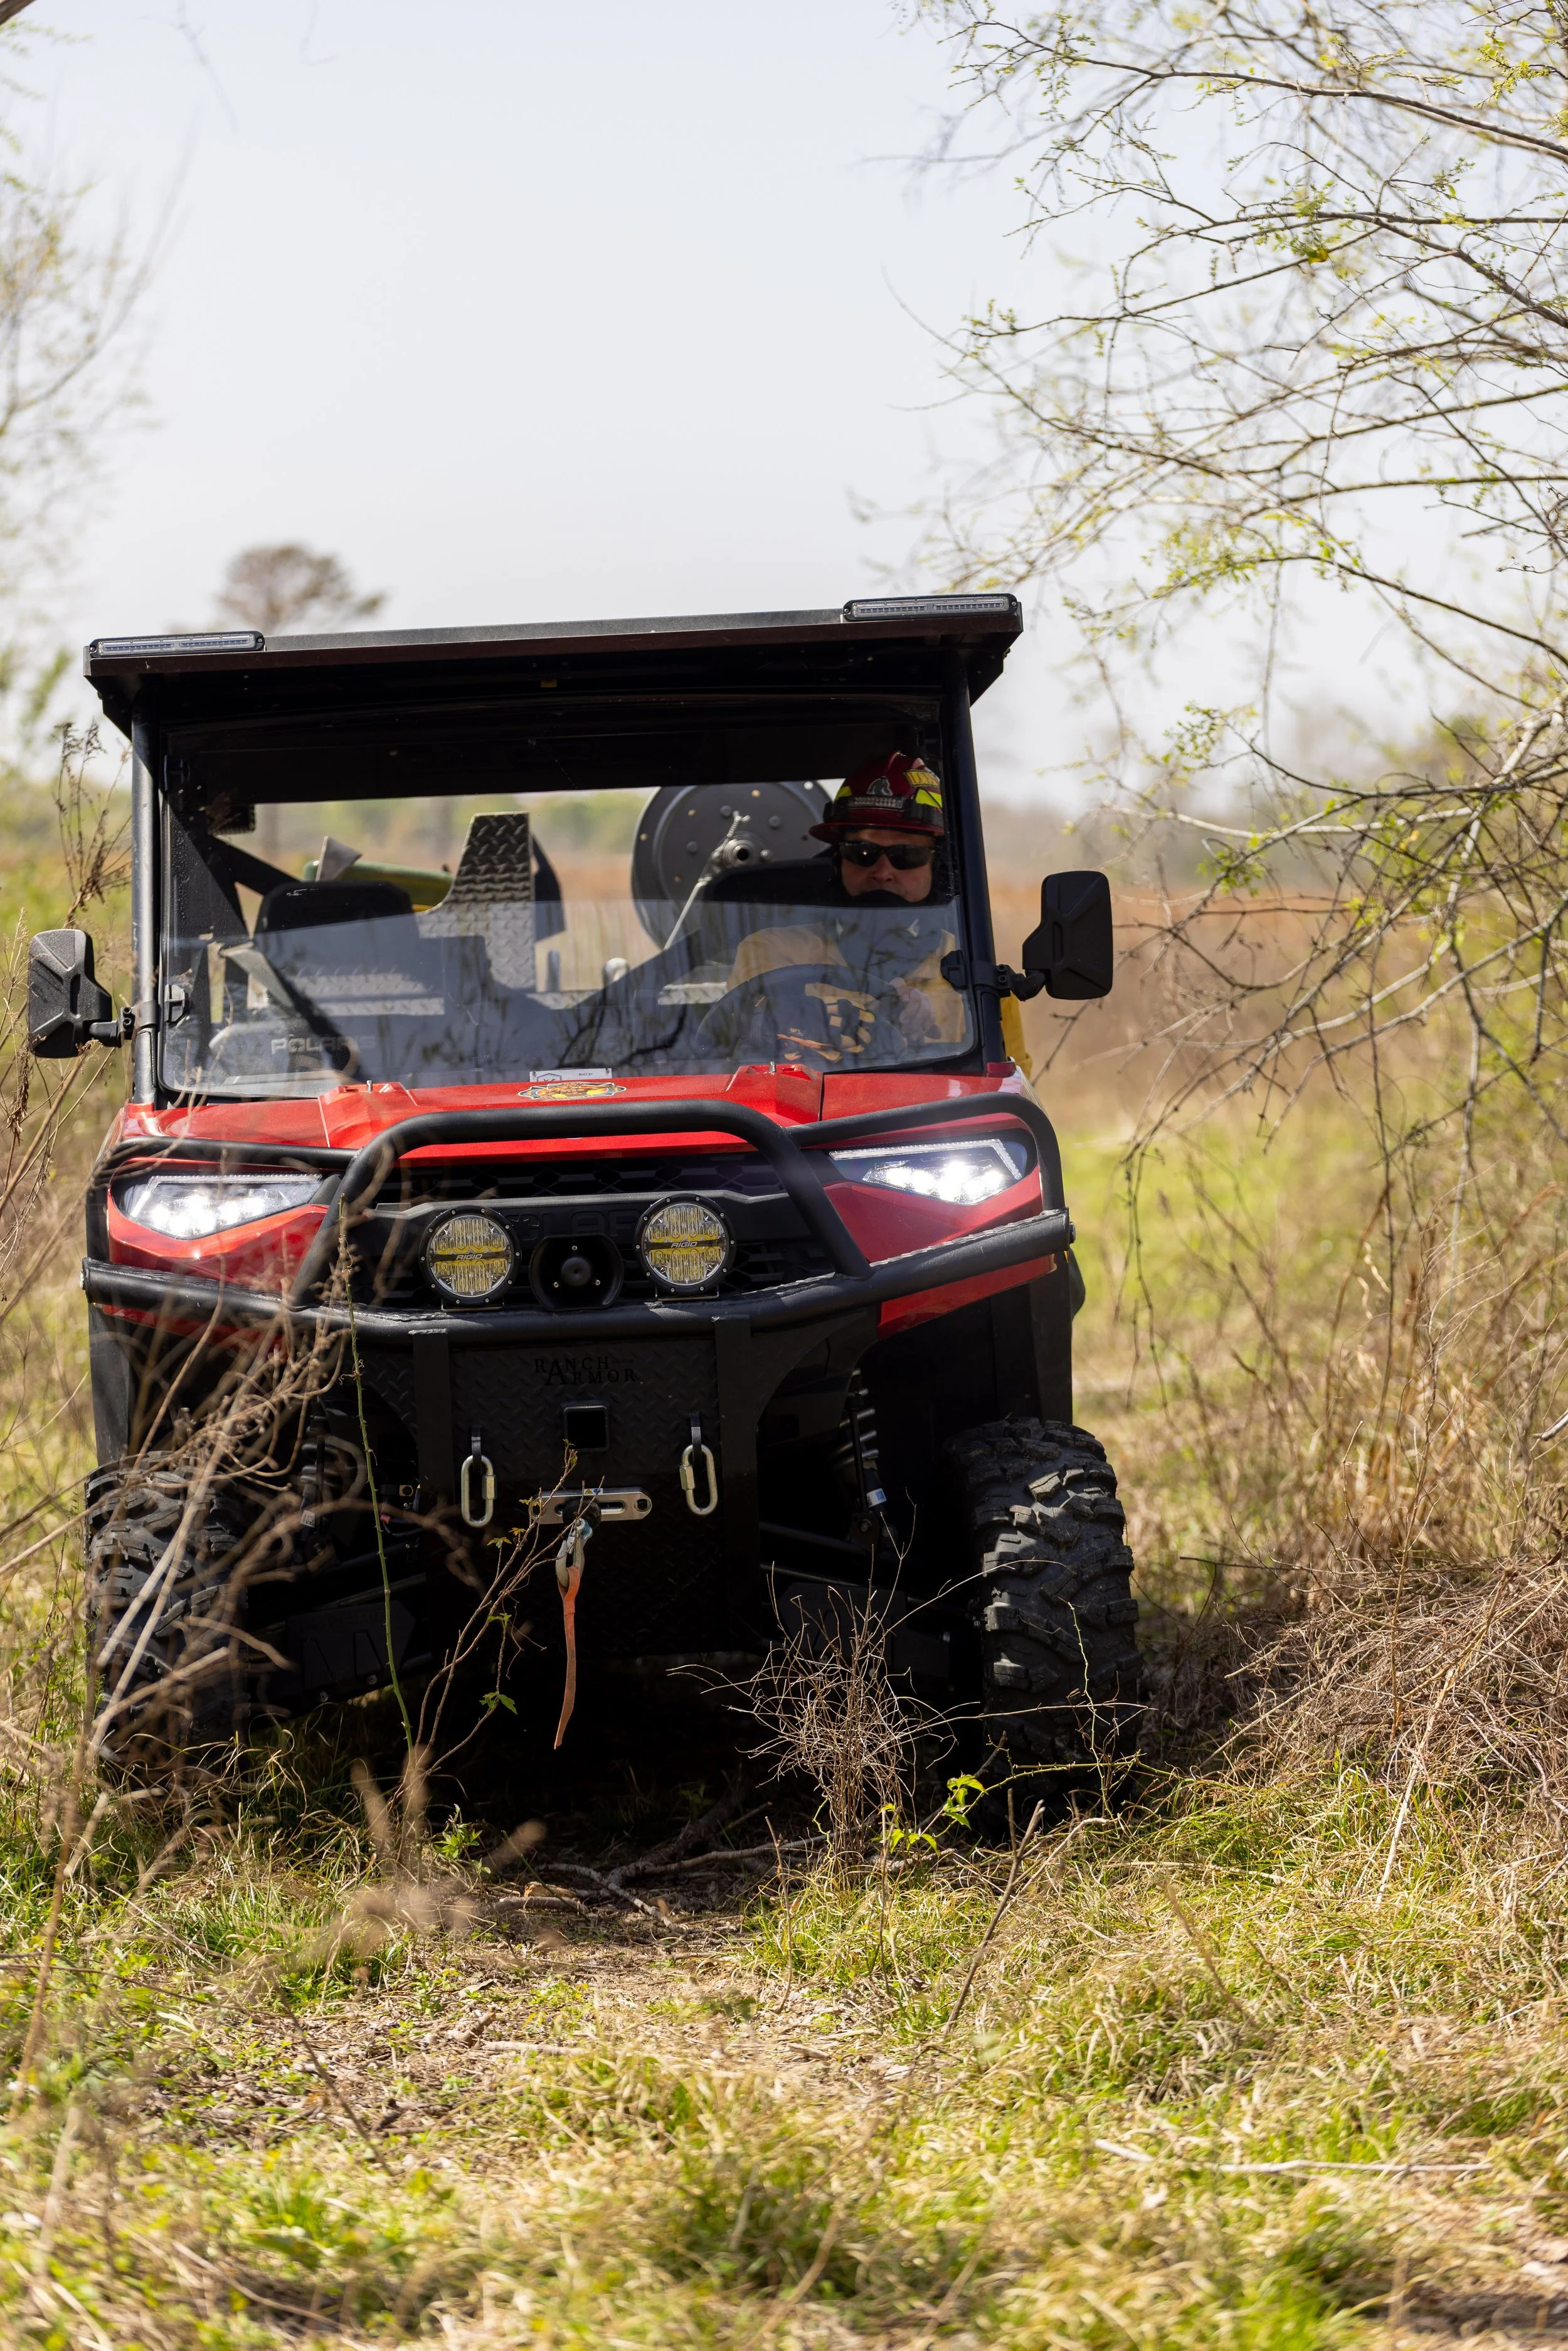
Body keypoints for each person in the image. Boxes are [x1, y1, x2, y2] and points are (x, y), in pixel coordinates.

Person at [703, 751, 965, 1067]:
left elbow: (1007, 1078)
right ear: (839, 861)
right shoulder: (770, 950)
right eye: (863, 852)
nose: (883, 872)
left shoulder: (967, 967)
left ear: (935, 866)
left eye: (906, 855)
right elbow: (760, 1037)